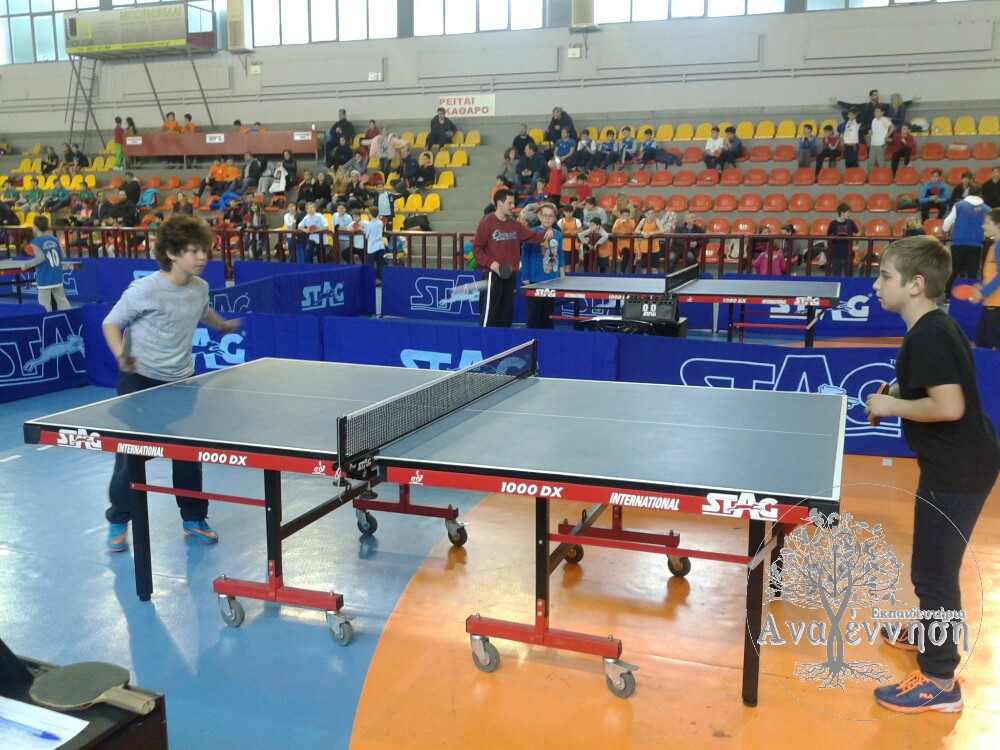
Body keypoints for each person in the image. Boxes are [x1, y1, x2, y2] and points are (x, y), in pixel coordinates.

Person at [865, 235, 999, 714]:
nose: (876, 284)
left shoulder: (928, 334)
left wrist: (892, 405)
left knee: (934, 572)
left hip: (957, 470)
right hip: (958, 463)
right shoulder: (933, 327)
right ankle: (929, 630)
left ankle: (940, 680)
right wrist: (898, 391)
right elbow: (936, 383)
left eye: (885, 276)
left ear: (915, 285)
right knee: (931, 565)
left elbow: (949, 405)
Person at [103, 215, 242, 551]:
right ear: (172, 253)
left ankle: (193, 518)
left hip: (181, 380)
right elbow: (111, 323)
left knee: (188, 454)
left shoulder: (200, 287)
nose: (202, 257)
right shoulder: (145, 289)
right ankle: (119, 519)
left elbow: (202, 310)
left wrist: (222, 325)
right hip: (139, 380)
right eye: (194, 251)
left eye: (204, 250)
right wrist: (121, 354)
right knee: (130, 456)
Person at [471, 189, 551, 327]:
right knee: (489, 315)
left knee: (506, 315)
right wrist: (492, 264)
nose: (513, 206)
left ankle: (503, 340)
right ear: (499, 203)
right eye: (510, 203)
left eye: (513, 203)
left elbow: (533, 236)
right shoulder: (486, 223)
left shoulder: (515, 225)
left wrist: (547, 232)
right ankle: (484, 339)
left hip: (510, 275)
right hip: (492, 276)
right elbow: (476, 250)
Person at [520, 203, 564, 329]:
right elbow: (525, 254)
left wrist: (562, 275)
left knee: (548, 315)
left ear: (554, 218)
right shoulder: (532, 232)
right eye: (545, 215)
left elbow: (560, 254)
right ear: (539, 216)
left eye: (551, 216)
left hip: (552, 280)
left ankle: (547, 337)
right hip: (535, 279)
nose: (547, 218)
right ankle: (532, 337)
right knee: (534, 315)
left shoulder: (558, 234)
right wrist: (525, 275)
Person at [942, 182, 988, 297]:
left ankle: (948, 295)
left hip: (958, 243)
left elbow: (948, 221)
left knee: (954, 270)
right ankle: (972, 297)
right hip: (976, 245)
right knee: (972, 272)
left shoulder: (959, 205)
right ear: (980, 194)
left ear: (968, 192)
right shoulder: (986, 209)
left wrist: (944, 230)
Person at [20, 215, 70, 311]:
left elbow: (40, 258)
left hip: (44, 278)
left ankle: (45, 319)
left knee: (44, 304)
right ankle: (70, 316)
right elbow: (63, 255)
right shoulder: (54, 239)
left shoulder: (35, 242)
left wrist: (26, 265)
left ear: (35, 227)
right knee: (62, 301)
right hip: (57, 276)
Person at [968, 208, 1000, 348]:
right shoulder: (995, 246)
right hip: (992, 304)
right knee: (982, 342)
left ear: (998, 224)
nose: (983, 226)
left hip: (996, 305)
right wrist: (982, 284)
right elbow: (994, 274)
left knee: (987, 343)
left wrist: (983, 292)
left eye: (987, 222)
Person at [826, 203, 859, 276]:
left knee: (849, 273)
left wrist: (856, 244)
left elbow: (857, 233)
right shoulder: (833, 224)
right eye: (848, 212)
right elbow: (828, 237)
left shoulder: (851, 222)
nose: (849, 214)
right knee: (836, 273)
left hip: (848, 251)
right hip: (836, 252)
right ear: (842, 213)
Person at [358, 207, 386, 284]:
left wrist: (362, 229)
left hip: (372, 248)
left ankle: (371, 279)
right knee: (380, 264)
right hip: (380, 246)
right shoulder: (380, 223)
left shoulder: (369, 224)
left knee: (370, 265)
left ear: (370, 214)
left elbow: (366, 236)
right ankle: (379, 279)